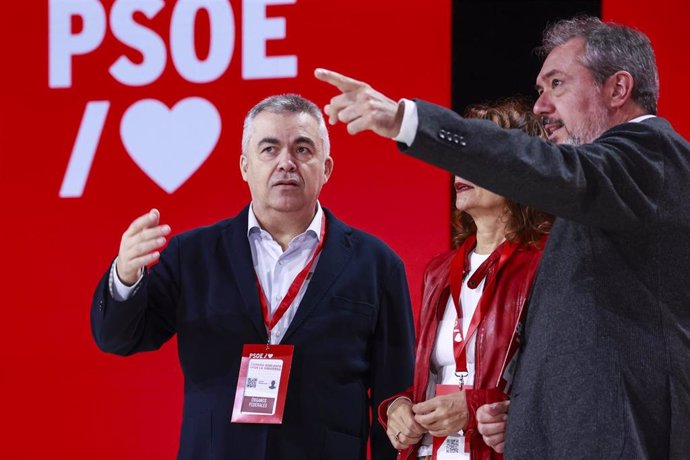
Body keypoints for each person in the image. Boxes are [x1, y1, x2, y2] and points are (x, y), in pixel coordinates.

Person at [315, 15, 690, 459]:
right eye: (540, 89)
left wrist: (407, 121)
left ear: (618, 88)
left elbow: (547, 168)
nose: (542, 107)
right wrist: (517, 411)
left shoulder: (651, 156)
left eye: (557, 85)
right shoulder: (609, 187)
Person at [91, 94, 416, 460]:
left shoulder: (378, 264)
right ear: (245, 166)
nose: (286, 163)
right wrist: (126, 275)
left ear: (326, 169)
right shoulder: (192, 255)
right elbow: (118, 339)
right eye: (269, 149)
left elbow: (395, 397)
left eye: (303, 149)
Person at [378, 100, 552, 460]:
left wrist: (474, 407)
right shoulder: (439, 270)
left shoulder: (545, 265)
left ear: (520, 167)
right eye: (460, 154)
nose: (461, 167)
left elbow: (555, 387)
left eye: (479, 153)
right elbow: (440, 375)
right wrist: (399, 407)